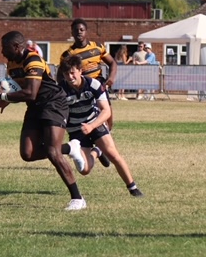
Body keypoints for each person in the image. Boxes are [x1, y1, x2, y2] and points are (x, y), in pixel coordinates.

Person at [0, 30, 86, 211]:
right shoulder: (11, 63)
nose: (2, 52)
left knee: (52, 152)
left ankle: (77, 198)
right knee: (27, 154)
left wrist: (5, 96)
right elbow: (22, 88)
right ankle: (70, 148)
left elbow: (30, 92)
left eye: (5, 48)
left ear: (17, 47)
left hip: (53, 104)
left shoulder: (33, 60)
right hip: (34, 107)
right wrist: (7, 100)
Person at [59, 54, 144, 197]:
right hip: (76, 130)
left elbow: (106, 111)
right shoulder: (60, 90)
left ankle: (133, 187)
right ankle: (97, 152)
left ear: (80, 70)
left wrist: (91, 126)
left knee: (113, 154)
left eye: (72, 72)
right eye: (66, 74)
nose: (70, 77)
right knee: (84, 170)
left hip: (95, 123)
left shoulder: (93, 84)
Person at [60, 19, 118, 130]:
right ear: (72, 33)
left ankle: (107, 135)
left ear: (86, 31)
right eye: (76, 30)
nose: (79, 32)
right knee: (88, 116)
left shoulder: (97, 47)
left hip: (99, 85)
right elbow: (61, 74)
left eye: (82, 29)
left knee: (107, 113)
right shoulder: (68, 54)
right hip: (83, 88)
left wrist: (111, 78)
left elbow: (112, 63)